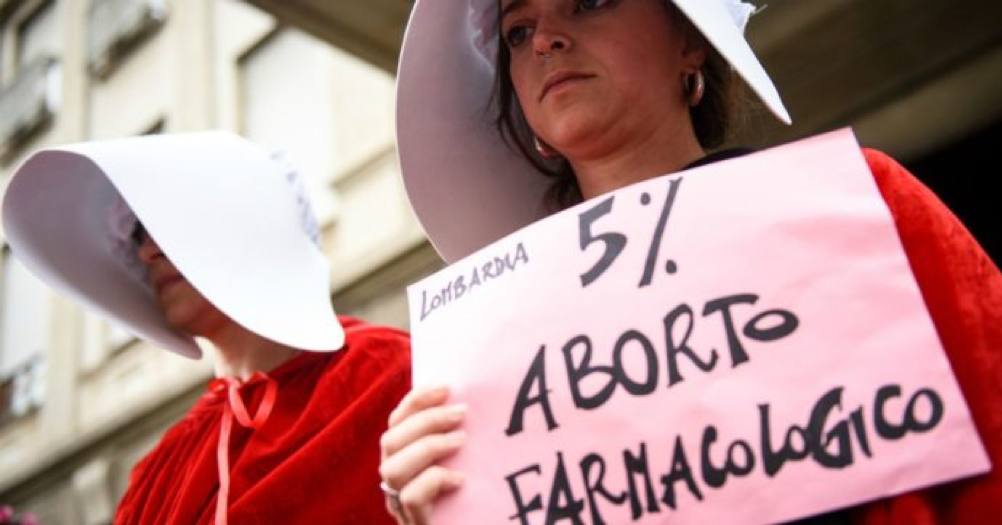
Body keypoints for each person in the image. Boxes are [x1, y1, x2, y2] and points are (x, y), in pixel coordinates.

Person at [381, 0, 1002, 523]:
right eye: (518, 32)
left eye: (590, 0)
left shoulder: (858, 205)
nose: (545, 39)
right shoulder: (489, 348)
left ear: (690, 41)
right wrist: (448, 503)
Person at [1, 131, 409, 524]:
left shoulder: (392, 373)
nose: (147, 252)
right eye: (139, 233)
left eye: (167, 222)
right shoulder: (160, 475)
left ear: (254, 219)